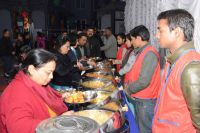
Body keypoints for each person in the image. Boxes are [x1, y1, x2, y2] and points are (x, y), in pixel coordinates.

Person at [0, 49, 73, 133]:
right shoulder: (17, 93)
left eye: (52, 72)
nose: (51, 76)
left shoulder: (35, 82)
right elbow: (19, 128)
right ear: (31, 69)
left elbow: (46, 100)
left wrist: (61, 96)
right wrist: (57, 121)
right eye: (48, 72)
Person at [153, 9, 200, 133]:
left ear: (177, 32)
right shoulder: (173, 59)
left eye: (160, 30)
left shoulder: (191, 67)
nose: (156, 35)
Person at [123, 25, 161, 133]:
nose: (132, 42)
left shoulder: (149, 53)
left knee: (145, 129)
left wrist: (128, 89)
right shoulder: (141, 51)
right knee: (139, 127)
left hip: (146, 101)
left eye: (133, 39)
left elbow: (144, 81)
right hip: (140, 98)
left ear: (139, 38)